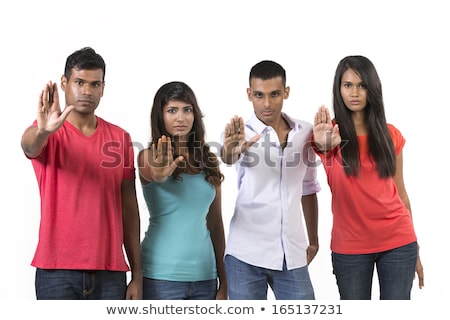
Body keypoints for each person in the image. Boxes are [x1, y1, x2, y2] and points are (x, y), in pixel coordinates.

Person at [20, 47, 142, 300]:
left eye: (95, 84)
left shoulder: (120, 138)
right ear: (64, 83)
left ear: (103, 88)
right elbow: (29, 145)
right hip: (56, 271)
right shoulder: (48, 133)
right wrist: (43, 131)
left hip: (110, 272)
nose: (87, 91)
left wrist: (137, 275)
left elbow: (129, 208)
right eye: (79, 82)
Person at [312, 55, 424, 299]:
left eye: (362, 85)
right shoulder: (328, 134)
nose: (355, 92)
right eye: (348, 85)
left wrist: (415, 247)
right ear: (338, 88)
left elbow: (401, 193)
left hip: (398, 241)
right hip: (350, 247)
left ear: (372, 89)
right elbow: (316, 151)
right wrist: (323, 144)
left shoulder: (390, 134)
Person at [221, 60, 321, 300]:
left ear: (286, 92)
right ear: (249, 94)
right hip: (245, 253)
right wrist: (232, 150)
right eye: (259, 95)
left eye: (274, 94)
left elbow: (308, 188)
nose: (266, 103)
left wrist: (314, 240)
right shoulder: (238, 133)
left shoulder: (305, 132)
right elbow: (227, 157)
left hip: (292, 252)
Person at [138, 81, 227, 300]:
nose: (181, 118)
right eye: (172, 110)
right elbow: (155, 173)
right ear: (160, 115)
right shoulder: (148, 156)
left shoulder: (209, 161)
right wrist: (160, 171)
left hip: (205, 277)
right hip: (160, 277)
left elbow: (215, 223)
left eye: (187, 110)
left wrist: (224, 281)